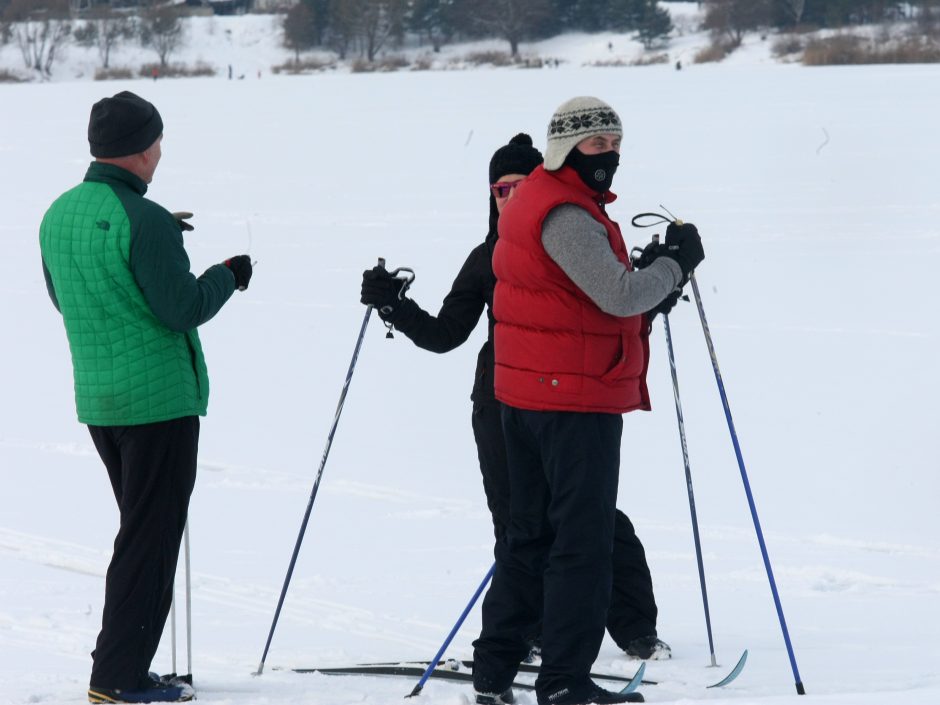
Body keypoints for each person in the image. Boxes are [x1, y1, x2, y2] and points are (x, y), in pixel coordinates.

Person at [359, 134, 670, 663]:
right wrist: (395, 306)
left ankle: (634, 627)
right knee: (518, 524)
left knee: (596, 521)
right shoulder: (488, 256)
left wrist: (660, 286)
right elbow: (446, 333)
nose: (508, 197)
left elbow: (611, 308)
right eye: (498, 189)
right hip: (499, 405)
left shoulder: (572, 238)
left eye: (519, 186)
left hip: (567, 397)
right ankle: (530, 633)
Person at [470, 98, 705, 705]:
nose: (608, 156)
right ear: (563, 149)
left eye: (613, 144)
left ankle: (494, 672)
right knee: (580, 541)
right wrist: (676, 265)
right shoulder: (566, 213)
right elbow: (619, 296)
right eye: (595, 145)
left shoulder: (529, 203)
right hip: (569, 400)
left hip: (524, 395)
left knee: (528, 536)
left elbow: (573, 291)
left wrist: (645, 269)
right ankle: (565, 681)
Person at [39, 91, 253, 705]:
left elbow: (67, 297)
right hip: (158, 403)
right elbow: (182, 307)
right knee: (149, 539)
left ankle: (122, 663)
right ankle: (118, 675)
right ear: (139, 149)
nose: (160, 152)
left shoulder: (59, 213)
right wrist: (229, 275)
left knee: (140, 531)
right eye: (157, 140)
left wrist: (155, 246)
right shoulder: (147, 220)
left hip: (100, 400)